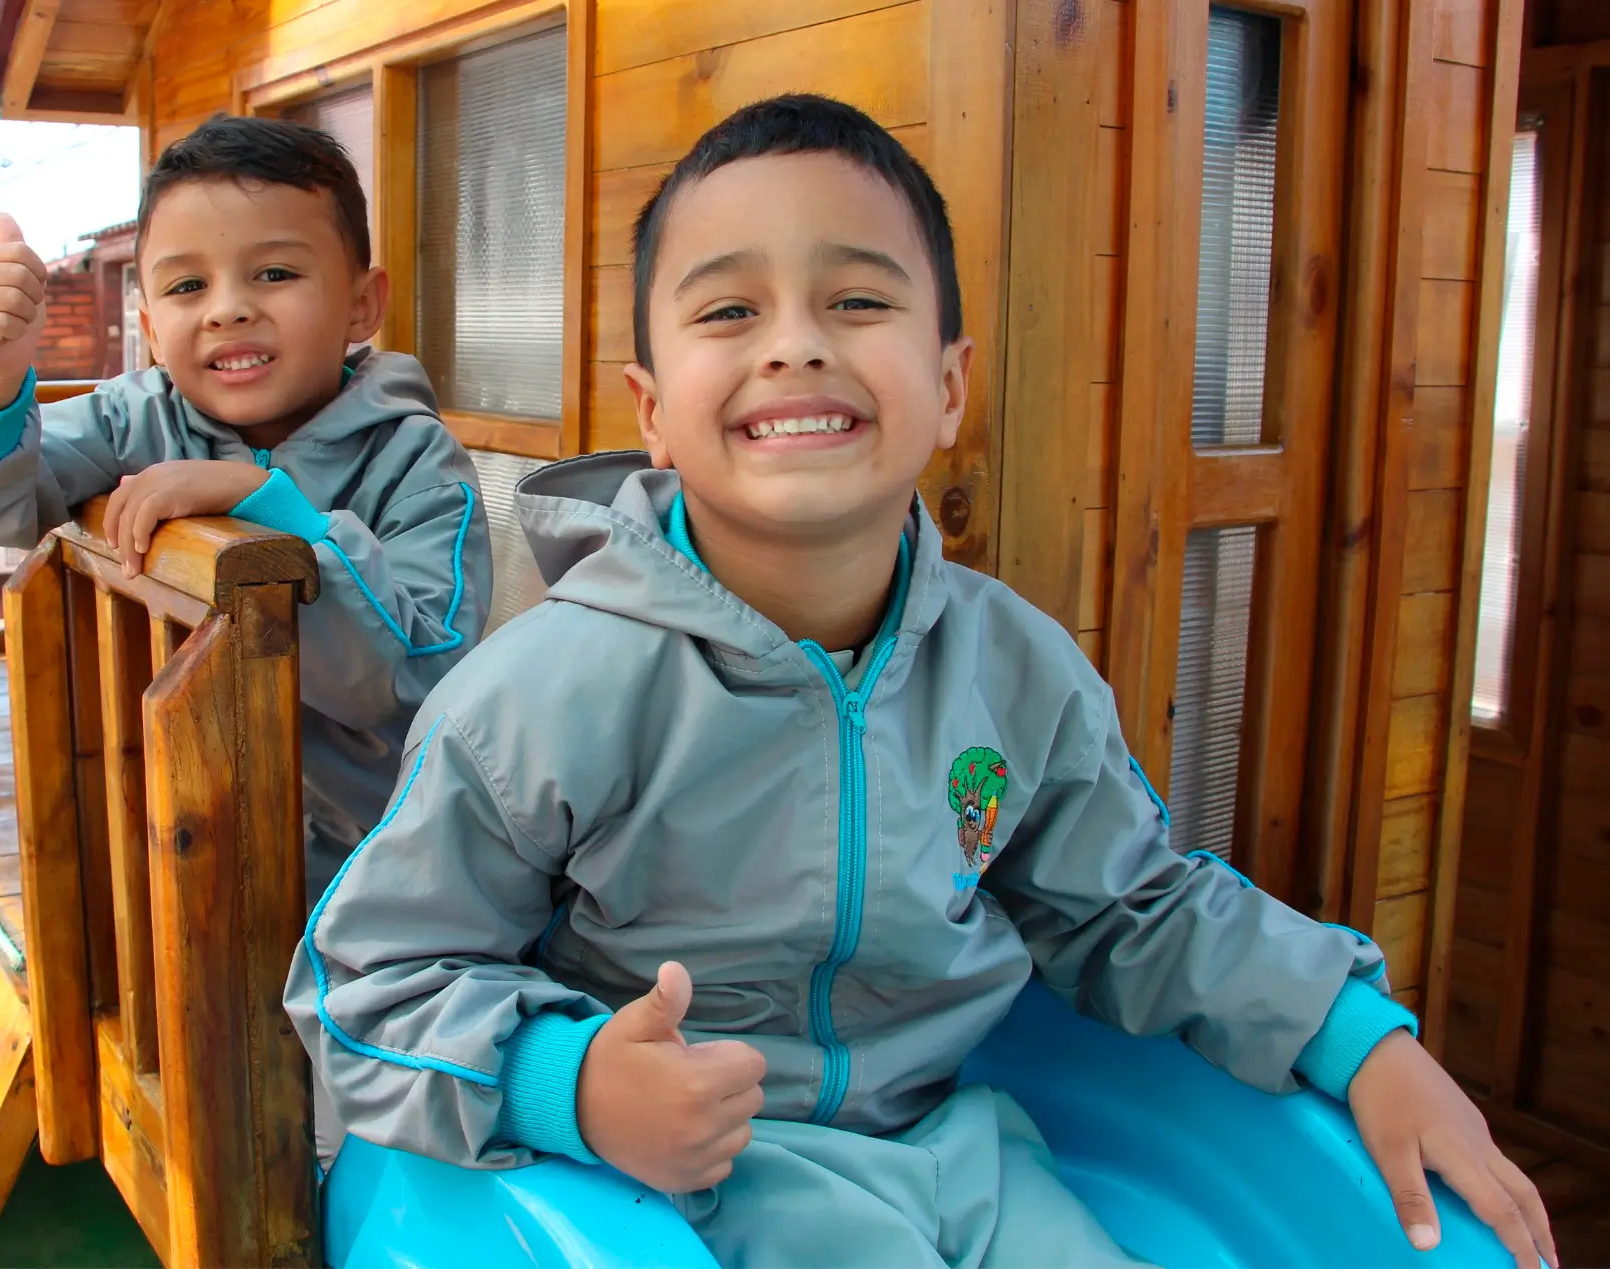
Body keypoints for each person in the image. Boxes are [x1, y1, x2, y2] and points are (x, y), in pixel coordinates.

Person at [287, 95, 1556, 1269]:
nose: (793, 346)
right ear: (653, 409)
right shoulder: (545, 695)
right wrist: (567, 1086)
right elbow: (367, 977)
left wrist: (1358, 1035)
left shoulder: (1015, 669)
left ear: (948, 386)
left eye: (856, 301)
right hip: (677, 1185)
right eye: (729, 312)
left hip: (963, 1149)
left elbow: (1134, 907)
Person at [0, 115, 491, 904]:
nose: (228, 309)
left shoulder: (417, 460)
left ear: (361, 303)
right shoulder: (129, 421)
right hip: (164, 842)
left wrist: (264, 508)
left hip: (365, 871)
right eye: (186, 286)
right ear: (148, 325)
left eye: (274, 273)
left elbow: (420, 672)